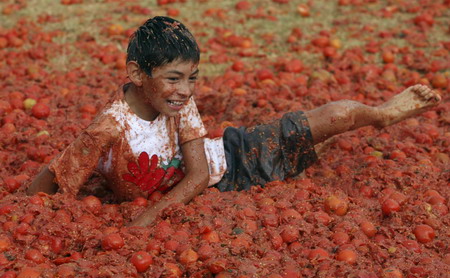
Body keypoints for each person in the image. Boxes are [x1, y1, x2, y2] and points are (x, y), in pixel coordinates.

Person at [26, 16, 442, 227]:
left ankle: (383, 114)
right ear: (138, 75)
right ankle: (313, 149)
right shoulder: (108, 128)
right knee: (303, 158)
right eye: (173, 78)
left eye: (192, 78)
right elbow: (56, 175)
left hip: (235, 158)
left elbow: (199, 173)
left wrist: (147, 219)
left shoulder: (177, 102)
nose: (186, 90)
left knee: (334, 118)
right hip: (219, 191)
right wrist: (21, 211)